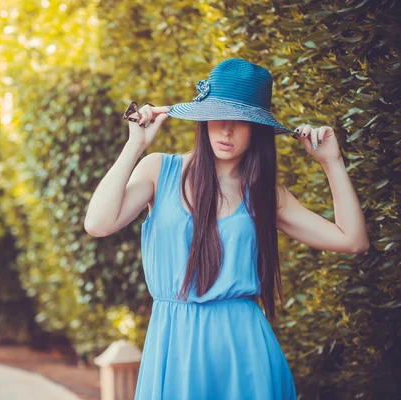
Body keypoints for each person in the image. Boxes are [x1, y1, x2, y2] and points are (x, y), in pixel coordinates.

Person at [83, 58, 370, 399]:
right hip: (174, 346)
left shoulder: (265, 195)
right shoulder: (159, 170)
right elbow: (98, 224)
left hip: (244, 352)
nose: (227, 130)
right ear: (202, 119)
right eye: (218, 116)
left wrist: (332, 163)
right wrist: (135, 145)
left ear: (258, 128)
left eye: (242, 121)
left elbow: (352, 240)